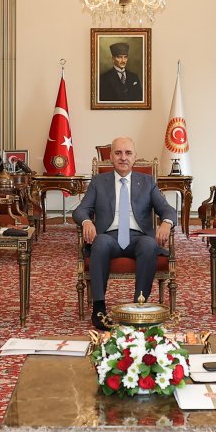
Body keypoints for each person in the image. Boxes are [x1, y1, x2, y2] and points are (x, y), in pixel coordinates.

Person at [73, 136, 176, 331]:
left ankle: (140, 306)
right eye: (118, 153)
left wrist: (166, 223)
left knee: (148, 245)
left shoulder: (147, 182)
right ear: (111, 157)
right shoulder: (98, 182)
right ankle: (99, 309)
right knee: (100, 243)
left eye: (128, 153)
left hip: (138, 237)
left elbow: (167, 209)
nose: (123, 157)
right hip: (108, 237)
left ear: (135, 157)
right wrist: (87, 221)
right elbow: (80, 210)